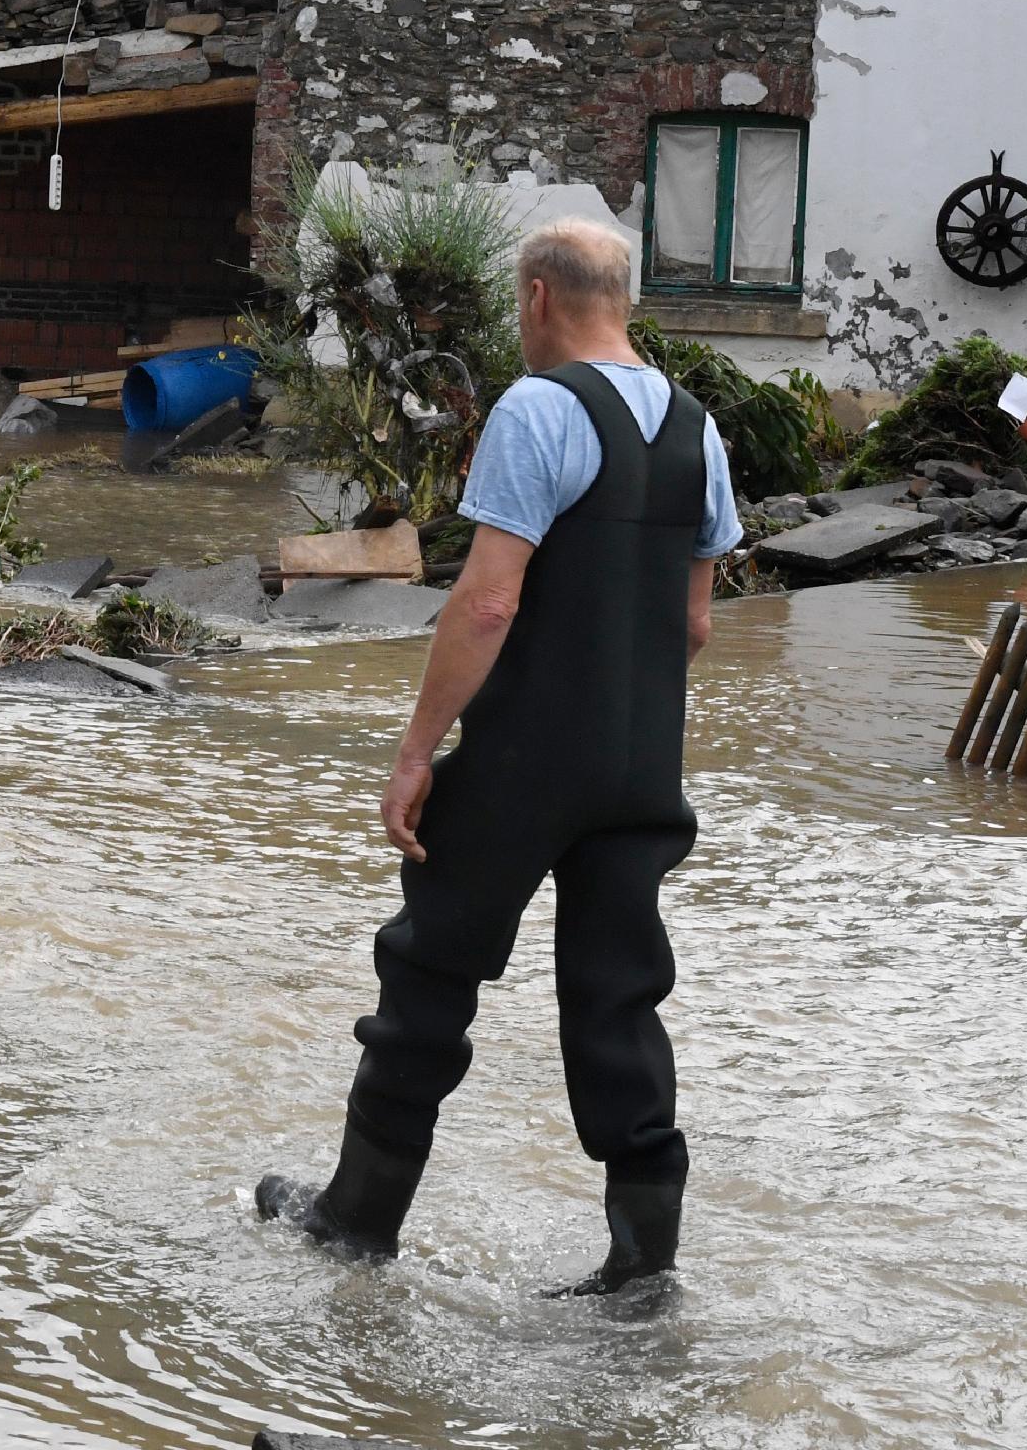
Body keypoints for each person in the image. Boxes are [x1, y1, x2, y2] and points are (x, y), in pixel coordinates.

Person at [256, 215, 742, 1295]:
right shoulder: (698, 430)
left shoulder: (539, 406)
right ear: (622, 296)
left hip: (527, 759)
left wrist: (416, 750)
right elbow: (695, 626)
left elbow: (485, 601)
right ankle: (642, 1267)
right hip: (641, 770)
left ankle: (356, 1219)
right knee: (619, 994)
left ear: (536, 297)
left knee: (428, 968)